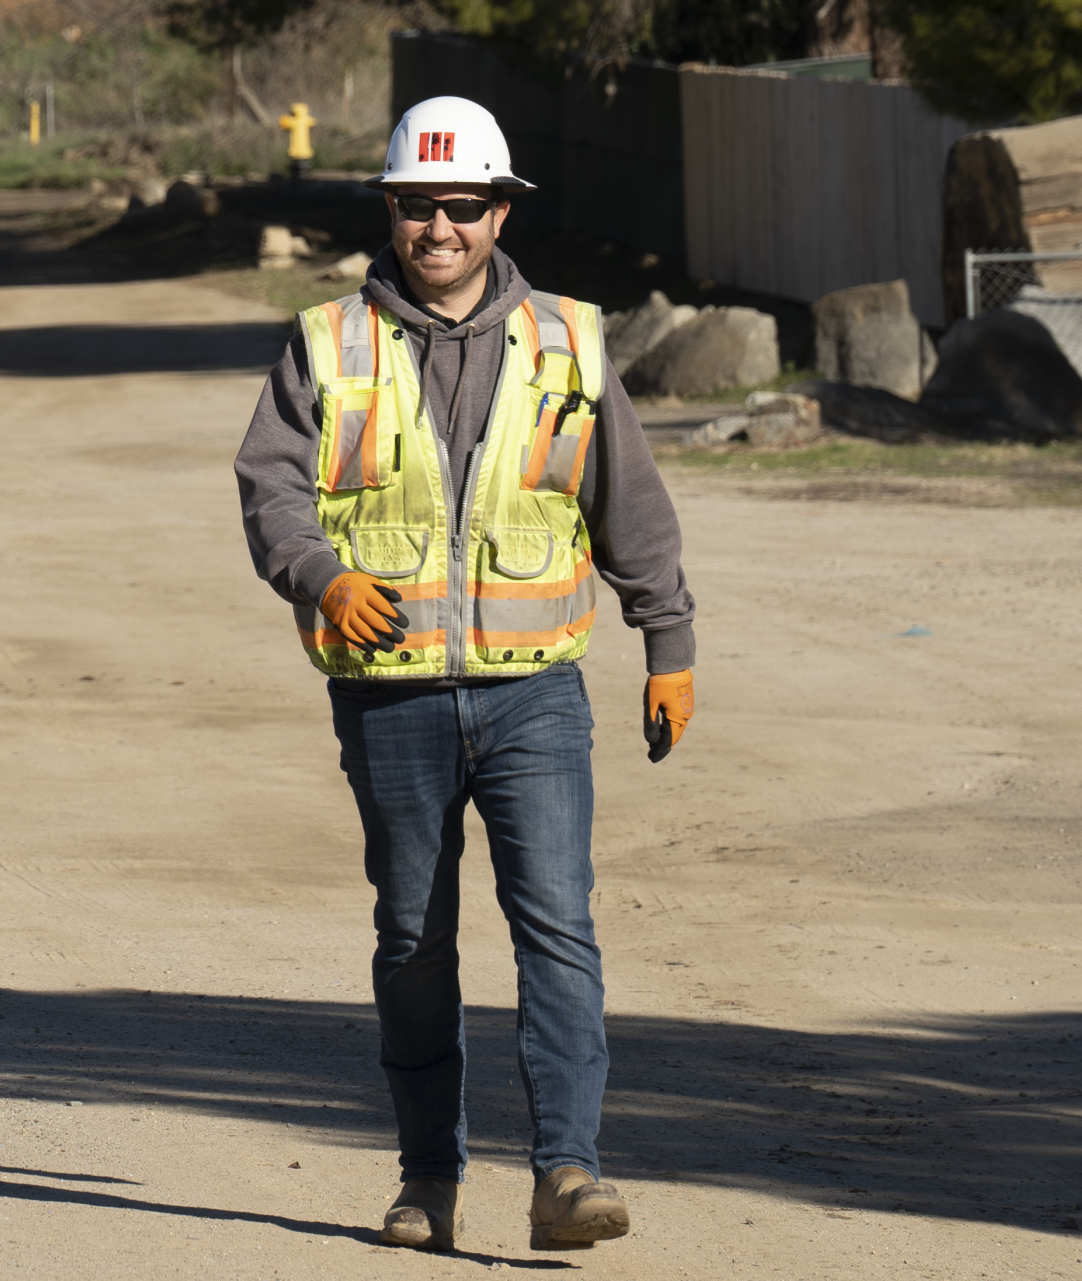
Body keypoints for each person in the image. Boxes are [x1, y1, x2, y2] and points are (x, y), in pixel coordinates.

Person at [234, 95, 695, 1253]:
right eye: (414, 206)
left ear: (499, 211)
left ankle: (568, 1174)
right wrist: (319, 575)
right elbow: (271, 488)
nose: (437, 226)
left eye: (461, 206)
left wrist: (668, 643)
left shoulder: (569, 341)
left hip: (536, 688)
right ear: (389, 212)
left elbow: (627, 503)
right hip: (388, 693)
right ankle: (426, 1178)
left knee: (558, 928)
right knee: (410, 939)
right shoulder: (327, 342)